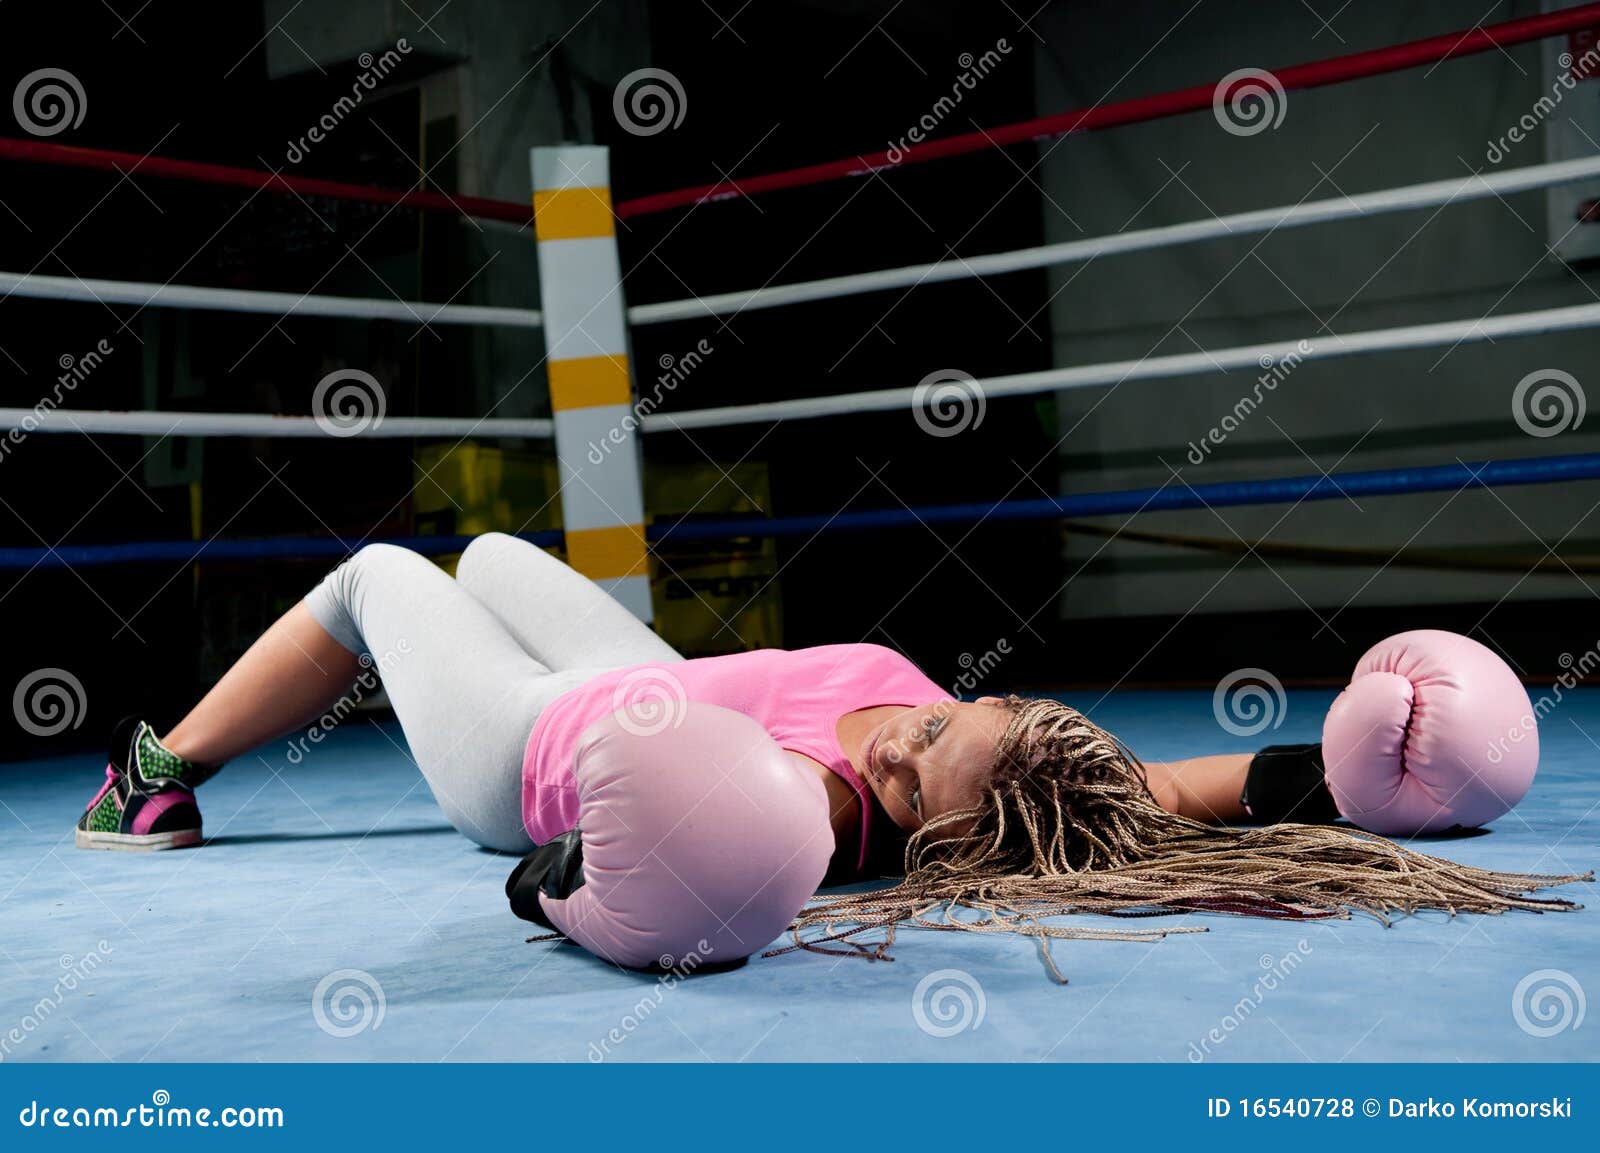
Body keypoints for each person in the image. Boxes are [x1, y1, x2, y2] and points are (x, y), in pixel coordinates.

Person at [77, 534, 1587, 962]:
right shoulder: (1021, 760)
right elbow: (1185, 795)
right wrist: (1392, 770)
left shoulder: (806, 810)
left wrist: (556, 882)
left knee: (380, 573)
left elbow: (693, 863)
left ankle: (156, 773)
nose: (913, 726)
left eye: (922, 753)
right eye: (947, 708)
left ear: (923, 817)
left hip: (533, 749)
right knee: (489, 549)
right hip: (654, 670)